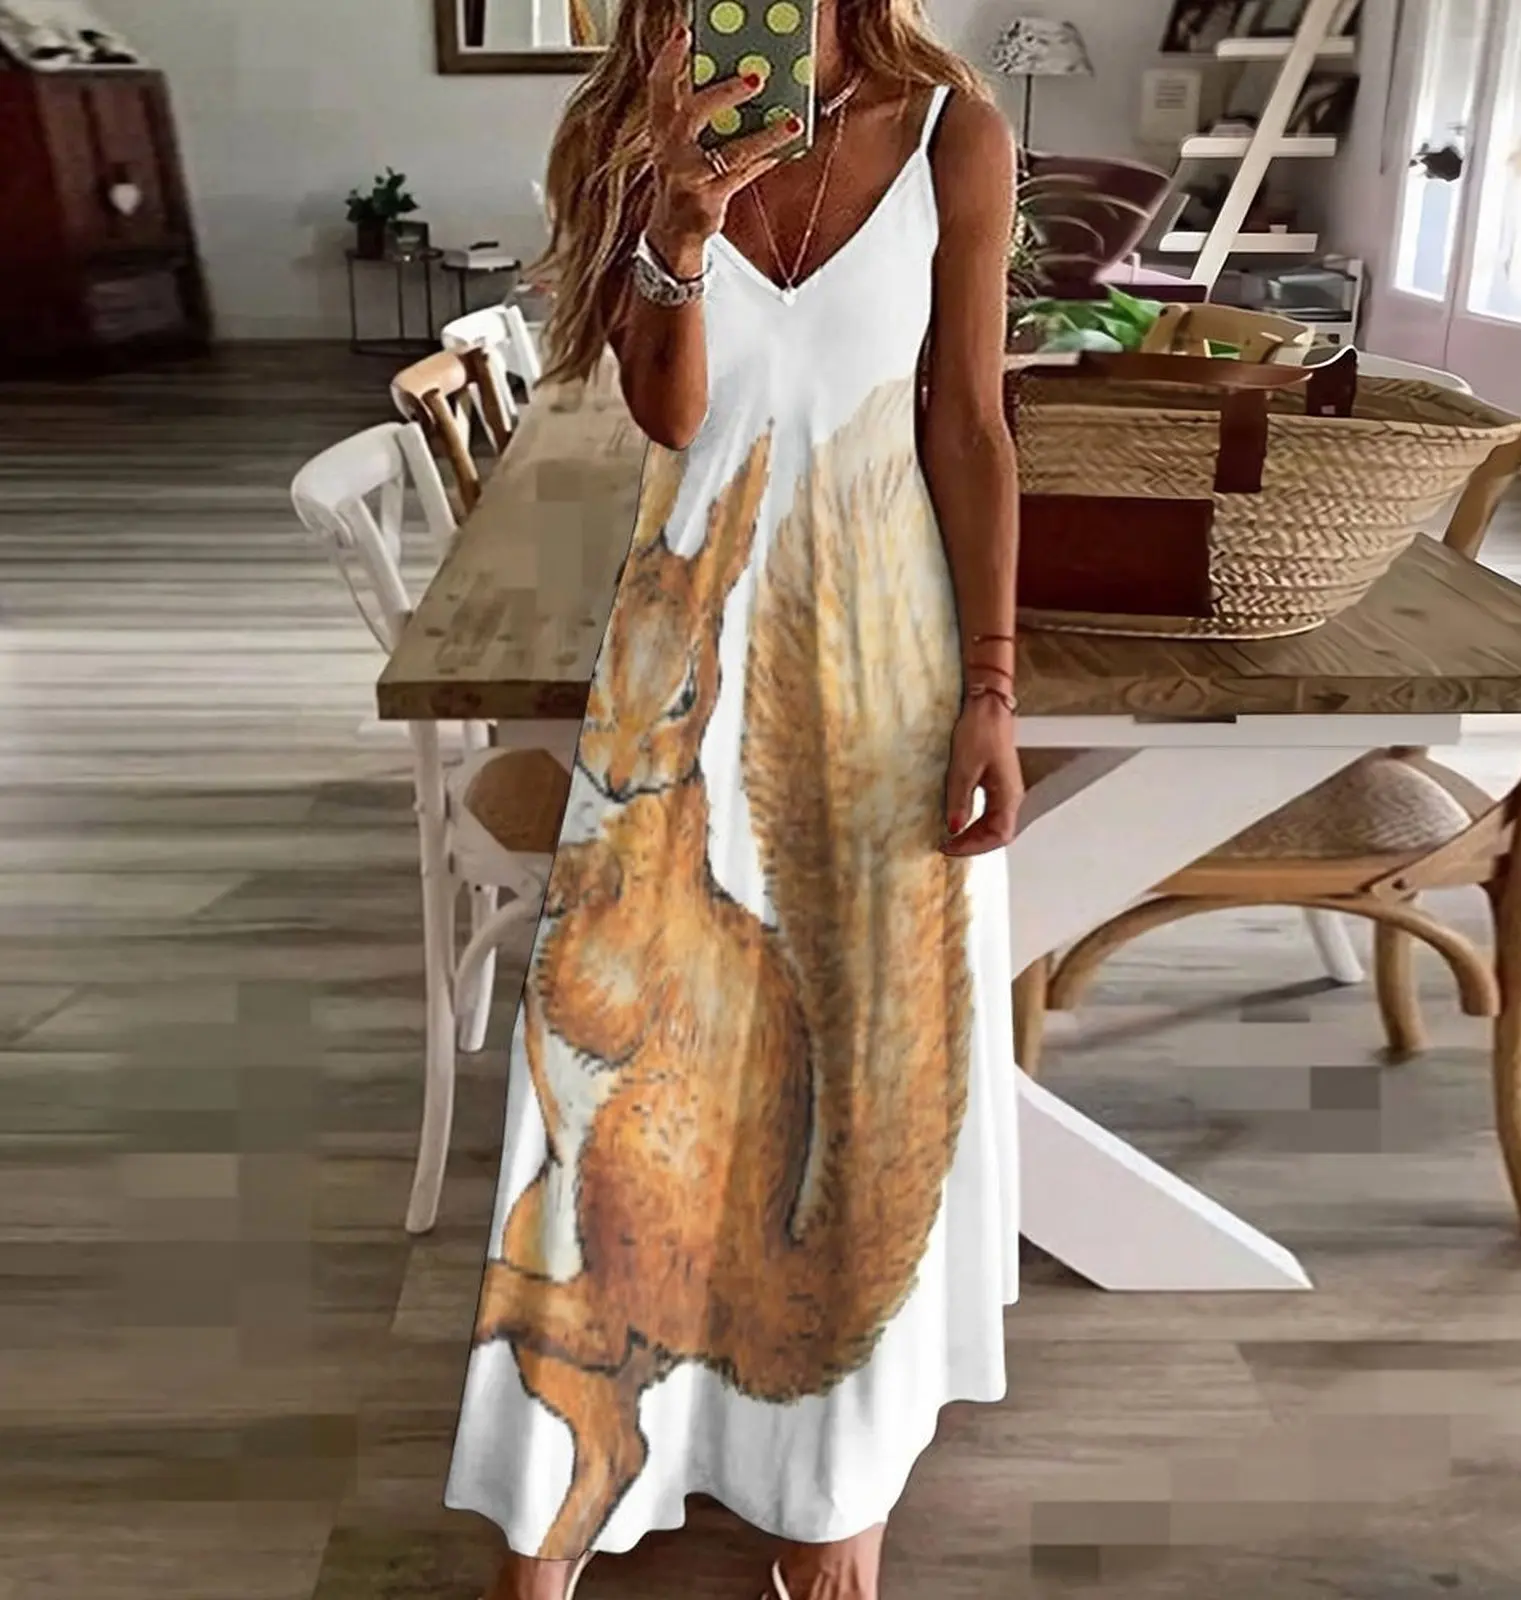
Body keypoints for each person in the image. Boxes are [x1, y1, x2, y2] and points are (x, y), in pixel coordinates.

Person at [444, 0, 1023, 1593]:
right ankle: (563, 1481)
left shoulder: (953, 135)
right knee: (612, 1060)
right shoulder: (645, 131)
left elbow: (970, 424)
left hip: (882, 639)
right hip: (680, 648)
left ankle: (834, 1498)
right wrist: (680, 228)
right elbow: (673, 416)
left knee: (862, 1057)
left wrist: (990, 687)